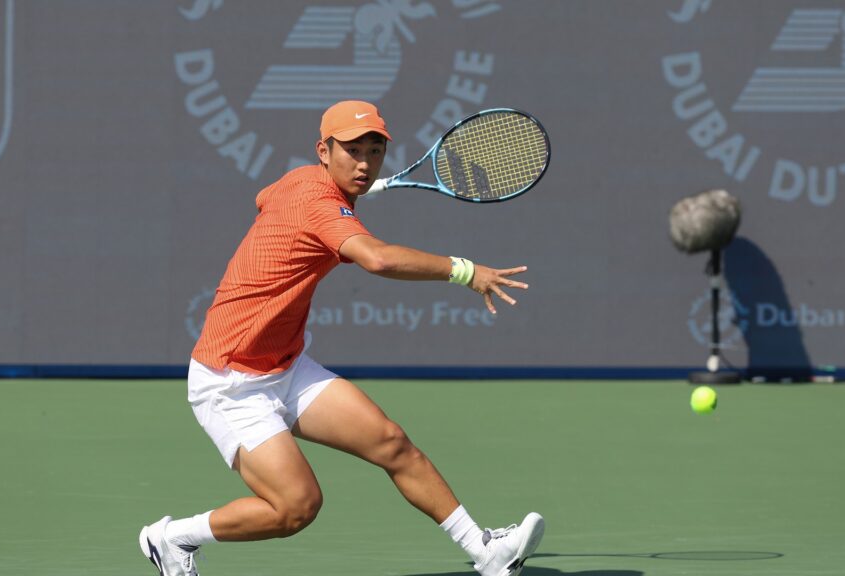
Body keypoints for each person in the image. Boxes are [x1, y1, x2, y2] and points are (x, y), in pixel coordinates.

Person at [139, 100, 543, 576]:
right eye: (351, 150)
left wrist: (343, 197)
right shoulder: (318, 204)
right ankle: (171, 538)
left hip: (285, 368)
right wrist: (464, 271)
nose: (365, 162)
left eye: (375, 151)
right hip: (230, 381)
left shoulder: (297, 181)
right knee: (296, 507)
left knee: (391, 443)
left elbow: (264, 197)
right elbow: (379, 259)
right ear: (323, 151)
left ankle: (486, 552)